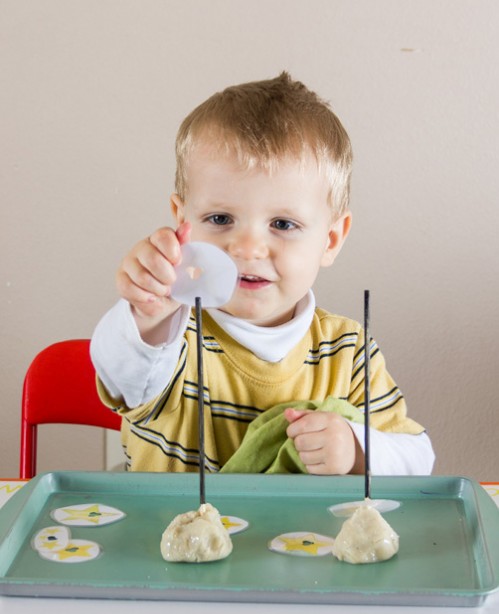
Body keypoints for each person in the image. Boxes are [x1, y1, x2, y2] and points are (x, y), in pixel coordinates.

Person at [91, 72, 434, 476]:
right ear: (182, 221)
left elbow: (418, 458)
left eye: (283, 224)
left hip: (303, 540)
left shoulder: (350, 353)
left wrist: (356, 448)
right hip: (167, 535)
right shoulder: (171, 335)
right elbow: (120, 370)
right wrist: (146, 310)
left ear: (331, 239)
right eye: (220, 218)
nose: (248, 248)